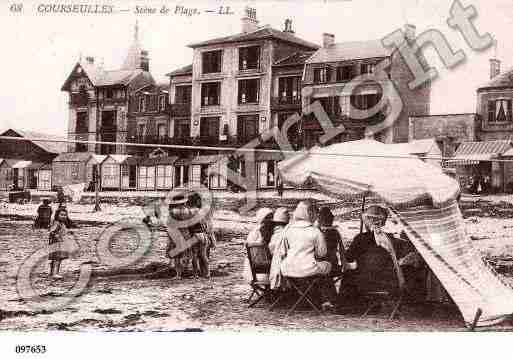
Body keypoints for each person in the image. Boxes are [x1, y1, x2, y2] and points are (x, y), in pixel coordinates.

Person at [280, 201, 336, 311]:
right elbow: (322, 253)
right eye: (314, 214)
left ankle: (307, 297)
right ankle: (326, 298)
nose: (315, 217)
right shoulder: (315, 231)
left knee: (314, 268)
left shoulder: (288, 229)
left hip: (287, 268)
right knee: (327, 266)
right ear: (309, 213)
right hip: (308, 268)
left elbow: (283, 251)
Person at [242, 207, 274, 283]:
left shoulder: (253, 233)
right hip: (267, 273)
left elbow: (245, 252)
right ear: (262, 219)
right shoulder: (268, 233)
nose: (271, 220)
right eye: (268, 218)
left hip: (252, 273)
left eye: (272, 217)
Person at [317, 206, 345, 275]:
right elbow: (342, 253)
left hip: (319, 269)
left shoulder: (314, 232)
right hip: (332, 267)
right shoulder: (335, 232)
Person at [48, 207, 73, 279]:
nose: (63, 216)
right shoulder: (57, 223)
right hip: (57, 244)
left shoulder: (62, 224)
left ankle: (53, 272)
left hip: (61, 243)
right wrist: (57, 237)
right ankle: (55, 273)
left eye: (65, 215)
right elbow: (52, 232)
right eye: (61, 215)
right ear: (57, 215)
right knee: (57, 259)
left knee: (57, 259)